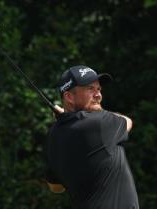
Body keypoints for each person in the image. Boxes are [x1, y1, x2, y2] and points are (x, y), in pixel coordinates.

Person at [45, 65, 139, 209]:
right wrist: (68, 115)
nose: (98, 95)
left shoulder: (53, 135)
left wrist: (66, 118)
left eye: (99, 89)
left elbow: (56, 187)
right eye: (90, 89)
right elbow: (127, 121)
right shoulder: (98, 123)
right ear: (69, 96)